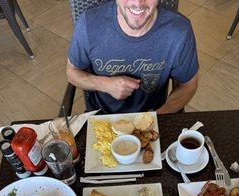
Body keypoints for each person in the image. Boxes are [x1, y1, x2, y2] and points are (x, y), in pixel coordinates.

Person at [67, 0, 199, 114]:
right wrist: (106, 85)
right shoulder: (89, 24)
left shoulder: (179, 31)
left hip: (154, 115)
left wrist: (157, 117)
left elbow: (188, 86)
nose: (137, 3)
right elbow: (72, 72)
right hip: (101, 117)